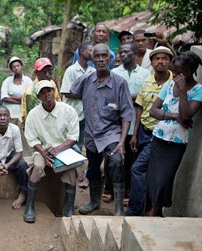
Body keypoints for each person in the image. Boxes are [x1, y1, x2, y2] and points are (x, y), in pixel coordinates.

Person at [69, 43, 134, 216]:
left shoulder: (119, 83)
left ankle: (119, 207)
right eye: (96, 56)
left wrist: (121, 142)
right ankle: (94, 201)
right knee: (92, 169)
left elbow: (127, 113)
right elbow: (71, 90)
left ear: (110, 58)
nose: (100, 59)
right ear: (92, 59)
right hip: (91, 134)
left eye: (104, 56)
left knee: (115, 163)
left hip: (111, 133)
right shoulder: (86, 80)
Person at [145, 51, 202, 216]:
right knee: (154, 178)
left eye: (180, 72)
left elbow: (187, 115)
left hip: (176, 144)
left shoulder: (200, 90)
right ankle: (155, 211)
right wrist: (173, 116)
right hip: (159, 138)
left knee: (164, 179)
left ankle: (156, 212)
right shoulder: (169, 85)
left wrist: (182, 92)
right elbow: (153, 111)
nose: (175, 75)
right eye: (174, 71)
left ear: (190, 71)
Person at [126, 46, 173, 216]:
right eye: (157, 58)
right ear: (151, 62)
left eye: (165, 58)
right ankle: (147, 208)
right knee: (145, 171)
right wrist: (135, 133)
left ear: (170, 62)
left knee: (137, 169)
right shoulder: (147, 81)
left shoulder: (174, 84)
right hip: (143, 132)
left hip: (160, 135)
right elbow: (140, 107)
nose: (160, 62)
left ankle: (134, 211)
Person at [24, 80, 79, 221]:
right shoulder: (33, 114)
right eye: (42, 93)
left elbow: (73, 137)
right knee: (37, 167)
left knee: (71, 170)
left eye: (48, 91)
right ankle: (30, 206)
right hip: (43, 150)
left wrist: (58, 149)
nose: (46, 95)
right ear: (38, 98)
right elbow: (31, 138)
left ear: (54, 92)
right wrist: (43, 152)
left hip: (65, 149)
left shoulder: (68, 110)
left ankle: (68, 208)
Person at [109, 43, 150, 205]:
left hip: (136, 124)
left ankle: (128, 191)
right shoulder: (113, 73)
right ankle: (110, 189)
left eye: (126, 51)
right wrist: (131, 98)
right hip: (116, 125)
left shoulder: (145, 73)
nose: (123, 54)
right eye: (121, 52)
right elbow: (110, 100)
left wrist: (126, 98)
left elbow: (145, 98)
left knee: (132, 159)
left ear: (134, 53)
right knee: (114, 159)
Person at [60, 43, 95, 189]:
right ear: (81, 52)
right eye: (90, 50)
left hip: (88, 114)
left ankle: (84, 175)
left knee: (89, 145)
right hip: (73, 115)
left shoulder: (93, 70)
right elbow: (67, 92)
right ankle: (71, 175)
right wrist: (86, 95)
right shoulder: (72, 70)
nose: (92, 52)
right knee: (73, 144)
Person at [20, 57, 61, 127]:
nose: (48, 75)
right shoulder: (31, 92)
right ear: (36, 73)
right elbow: (30, 118)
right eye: (44, 72)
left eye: (49, 71)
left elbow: (58, 102)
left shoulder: (51, 83)